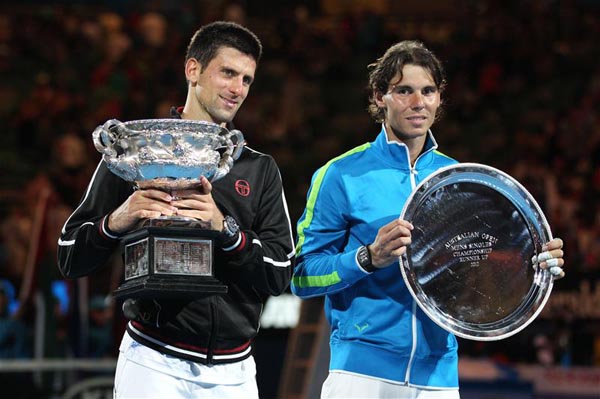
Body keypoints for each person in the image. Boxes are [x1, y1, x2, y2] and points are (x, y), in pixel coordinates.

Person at [291, 40, 565, 399]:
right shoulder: (340, 175)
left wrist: (531, 262)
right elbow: (302, 276)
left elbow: (474, 262)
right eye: (403, 91)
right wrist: (367, 258)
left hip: (438, 377)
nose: (418, 102)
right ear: (378, 97)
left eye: (428, 91)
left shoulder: (456, 177)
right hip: (360, 373)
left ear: (439, 98)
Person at [57, 21, 295, 398]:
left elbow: (280, 273)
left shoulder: (258, 168)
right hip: (154, 360)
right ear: (193, 70)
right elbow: (69, 257)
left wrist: (226, 229)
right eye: (228, 73)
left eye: (247, 80)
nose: (238, 89)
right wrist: (117, 221)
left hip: (235, 371)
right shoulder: (137, 154)